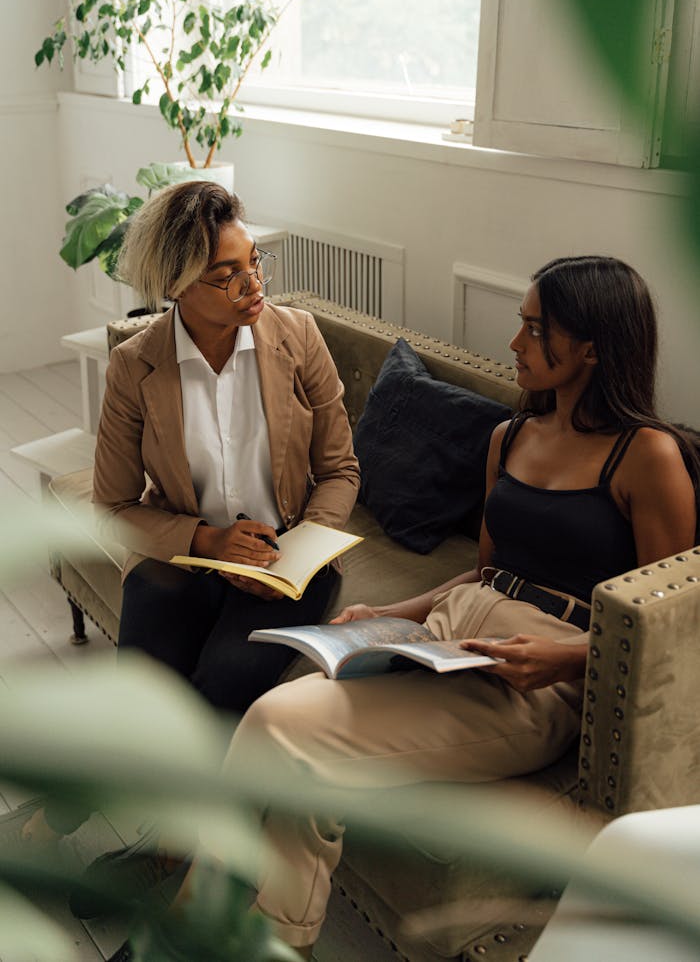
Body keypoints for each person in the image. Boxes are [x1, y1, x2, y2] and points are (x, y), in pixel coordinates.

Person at [137, 254, 696, 962]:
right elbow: (486, 572)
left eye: (535, 330)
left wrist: (561, 657)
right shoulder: (511, 437)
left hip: (537, 671)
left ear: (592, 345)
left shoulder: (648, 456)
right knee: (306, 764)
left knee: (278, 720)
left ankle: (194, 919)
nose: (516, 345)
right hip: (453, 626)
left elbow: (668, 627)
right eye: (519, 325)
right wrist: (382, 612)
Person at [7, 181, 360, 899]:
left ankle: (162, 842)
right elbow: (113, 503)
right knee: (144, 688)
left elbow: (339, 471)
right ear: (175, 286)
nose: (250, 284)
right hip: (184, 557)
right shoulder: (136, 365)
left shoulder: (299, 338)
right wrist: (206, 538)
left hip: (289, 565)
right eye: (224, 275)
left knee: (225, 677)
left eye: (252, 262)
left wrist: (289, 553)